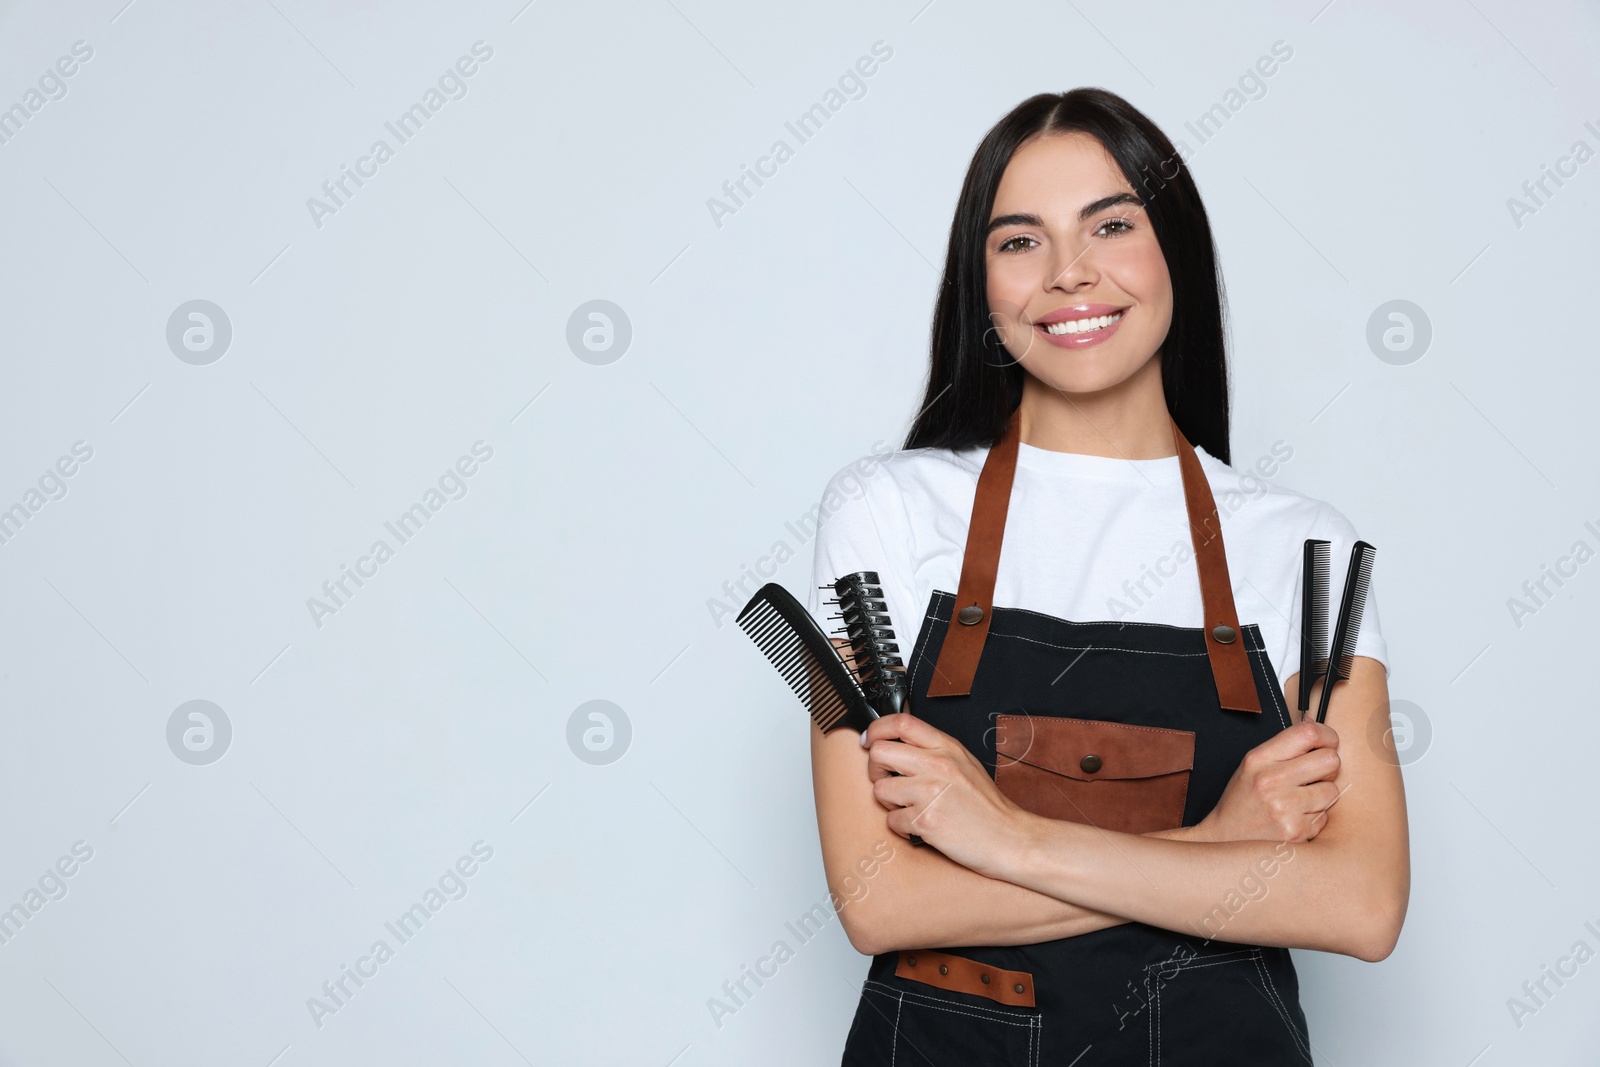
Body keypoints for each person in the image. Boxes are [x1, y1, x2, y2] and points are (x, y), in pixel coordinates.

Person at [804, 88, 1409, 1065]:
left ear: (1174, 249)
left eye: (1111, 225)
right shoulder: (884, 512)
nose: (1069, 273)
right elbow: (880, 899)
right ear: (981, 284)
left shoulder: (1303, 550)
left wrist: (1007, 836)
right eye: (1018, 241)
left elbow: (1361, 900)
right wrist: (1217, 842)